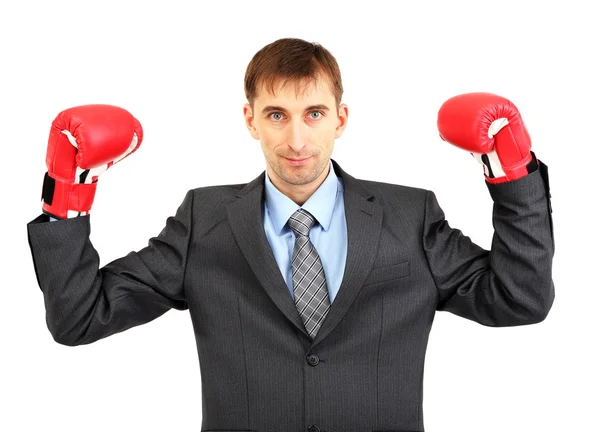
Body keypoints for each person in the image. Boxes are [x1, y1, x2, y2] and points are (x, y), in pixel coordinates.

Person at [26, 37, 555, 432]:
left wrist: (510, 174)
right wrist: (69, 194)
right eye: (277, 114)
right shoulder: (204, 218)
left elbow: (520, 299)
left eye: (314, 113)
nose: (296, 138)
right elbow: (79, 318)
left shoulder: (407, 213)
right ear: (251, 120)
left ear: (340, 118)